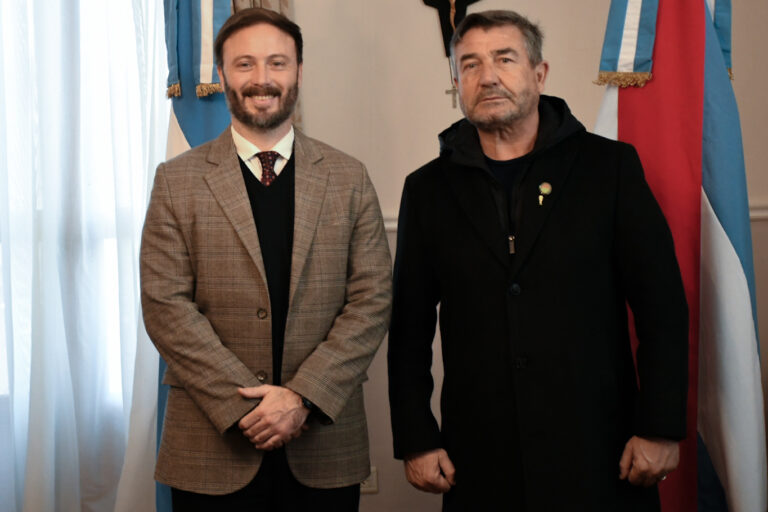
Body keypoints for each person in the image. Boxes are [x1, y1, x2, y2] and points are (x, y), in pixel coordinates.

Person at [388, 10, 688, 511]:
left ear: (539, 73)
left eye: (504, 59)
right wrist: (417, 438)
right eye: (470, 65)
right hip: (481, 459)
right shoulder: (426, 190)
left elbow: (663, 308)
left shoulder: (609, 169)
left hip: (602, 452)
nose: (487, 77)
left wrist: (659, 427)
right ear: (457, 83)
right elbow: (408, 329)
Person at [140, 8, 391, 511]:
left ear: (299, 71)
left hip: (323, 445)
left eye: (277, 62)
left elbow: (372, 301)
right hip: (210, 448)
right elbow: (166, 307)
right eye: (245, 64)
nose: (262, 79)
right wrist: (249, 406)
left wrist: (301, 398)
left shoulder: (349, 178)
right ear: (222, 74)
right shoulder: (176, 180)